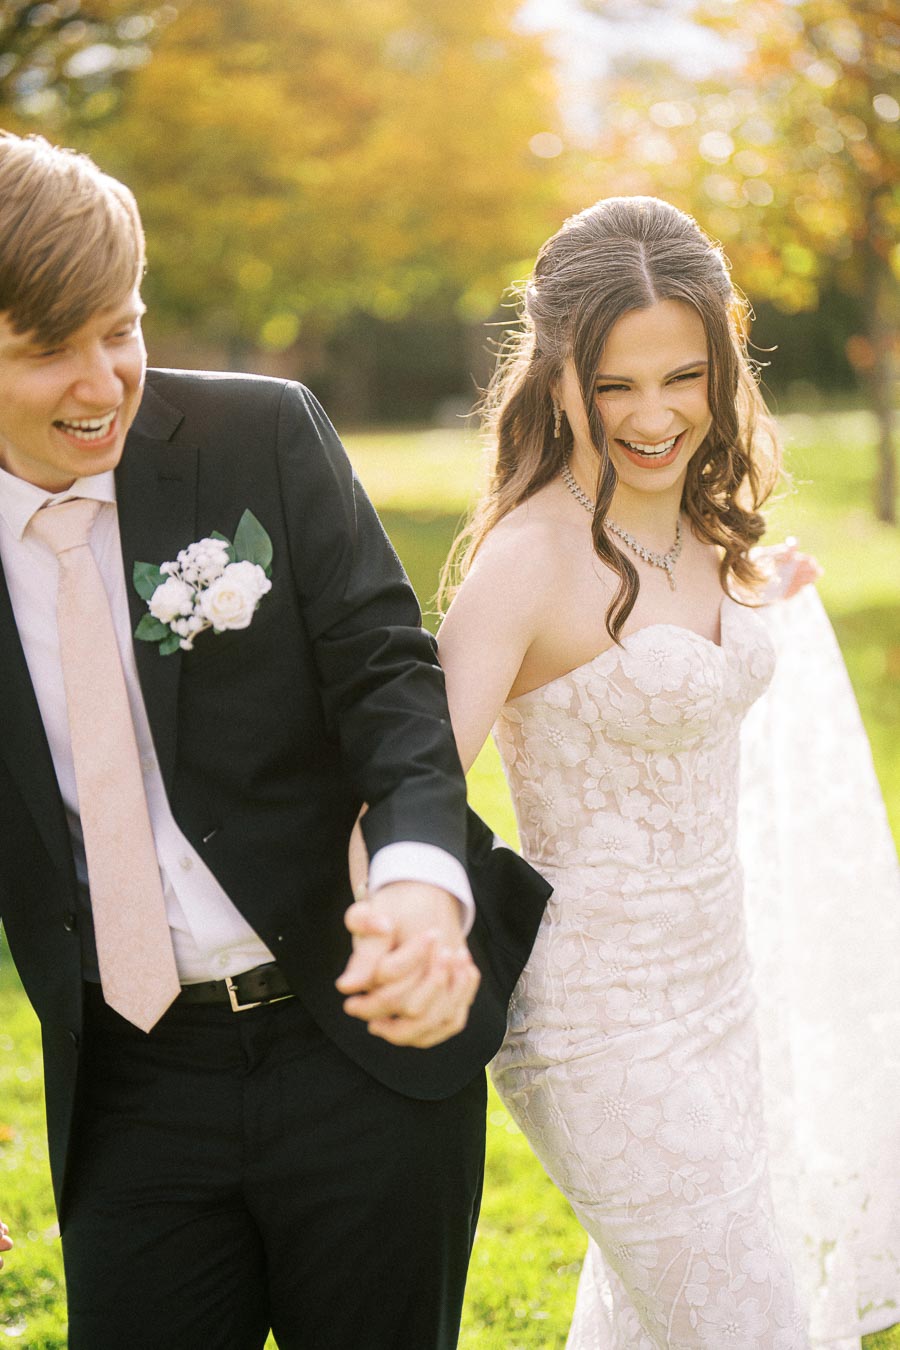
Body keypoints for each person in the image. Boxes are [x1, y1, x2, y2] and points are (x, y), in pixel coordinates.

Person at [0, 131, 549, 1350]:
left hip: (357, 1050)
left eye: (122, 329)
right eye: (49, 351)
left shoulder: (262, 435)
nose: (103, 382)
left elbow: (390, 679)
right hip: (130, 1081)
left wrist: (419, 882)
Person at [437, 196, 900, 1348]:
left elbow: (705, 651)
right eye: (614, 386)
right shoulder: (527, 561)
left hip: (723, 989)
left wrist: (762, 596)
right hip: (596, 1030)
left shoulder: (707, 521)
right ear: (556, 379)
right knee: (754, 1326)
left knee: (656, 1324)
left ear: (723, 360)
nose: (654, 416)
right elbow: (411, 778)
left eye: (681, 376)